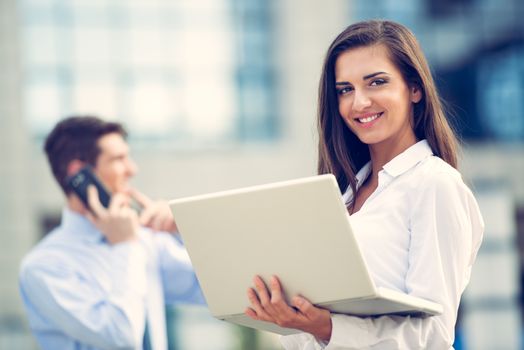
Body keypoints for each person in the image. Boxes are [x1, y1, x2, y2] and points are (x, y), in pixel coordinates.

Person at [244, 20, 484, 349]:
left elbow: (433, 337)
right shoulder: (341, 196)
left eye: (376, 83)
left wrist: (329, 329)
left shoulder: (435, 185)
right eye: (345, 90)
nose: (359, 103)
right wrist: (289, 318)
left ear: (414, 89)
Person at [19, 116, 205, 350]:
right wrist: (125, 245)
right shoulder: (45, 267)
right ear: (79, 174)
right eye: (119, 159)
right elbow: (122, 337)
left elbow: (216, 289)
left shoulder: (147, 242)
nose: (132, 169)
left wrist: (186, 230)